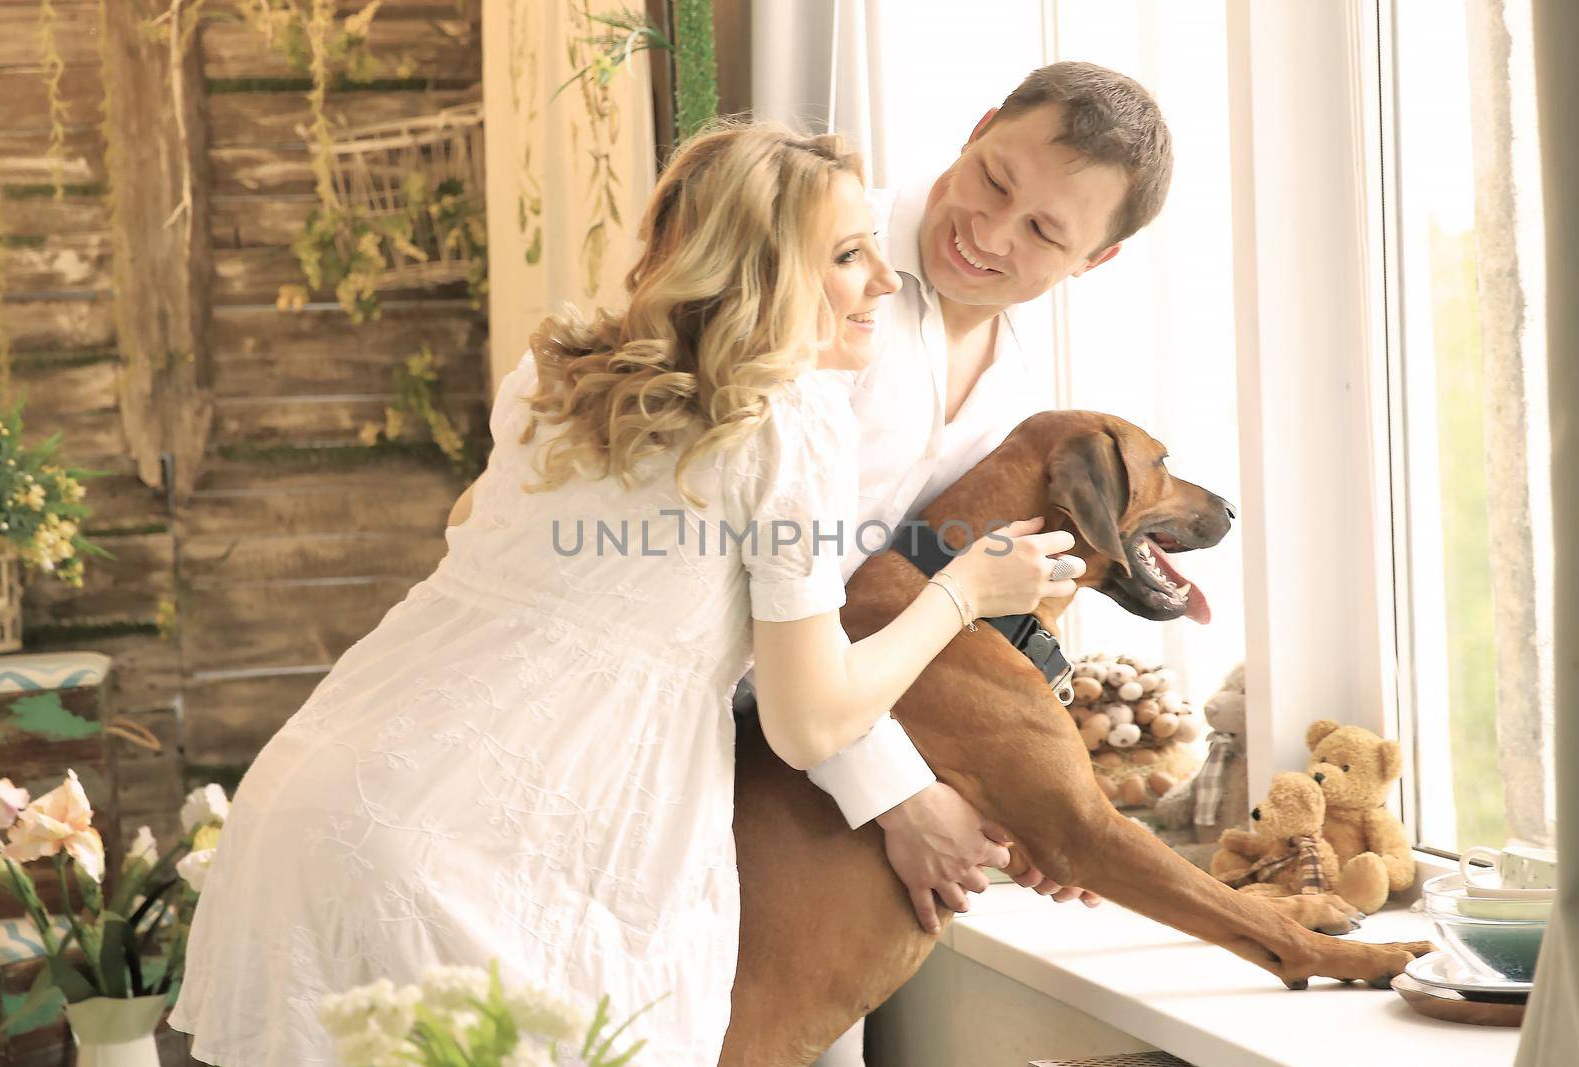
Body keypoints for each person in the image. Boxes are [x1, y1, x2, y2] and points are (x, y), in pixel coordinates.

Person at [166, 120, 1085, 1066]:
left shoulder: (557, 370)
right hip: (494, 865)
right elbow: (809, 723)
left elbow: (469, 530)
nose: (888, 282)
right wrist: (965, 592)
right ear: (767, 271)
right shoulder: (793, 424)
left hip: (334, 786)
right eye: (852, 256)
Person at [773, 61, 1176, 1066]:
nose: (990, 234)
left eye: (1046, 231)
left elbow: (892, 615)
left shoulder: (1020, 398)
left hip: (802, 773)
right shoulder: (817, 253)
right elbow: (748, 578)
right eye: (994, 178)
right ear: (980, 123)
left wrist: (1022, 798)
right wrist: (897, 792)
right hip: (706, 736)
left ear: (1099, 258)